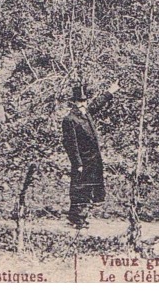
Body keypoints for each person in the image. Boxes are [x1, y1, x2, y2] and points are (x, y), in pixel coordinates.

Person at [61, 80, 119, 229]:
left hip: (93, 159)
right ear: (73, 102)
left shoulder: (86, 114)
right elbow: (70, 144)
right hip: (82, 160)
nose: (82, 104)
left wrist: (110, 91)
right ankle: (76, 218)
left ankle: (81, 216)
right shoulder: (70, 120)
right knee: (79, 188)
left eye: (84, 101)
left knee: (88, 188)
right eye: (79, 101)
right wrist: (77, 163)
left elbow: (97, 104)